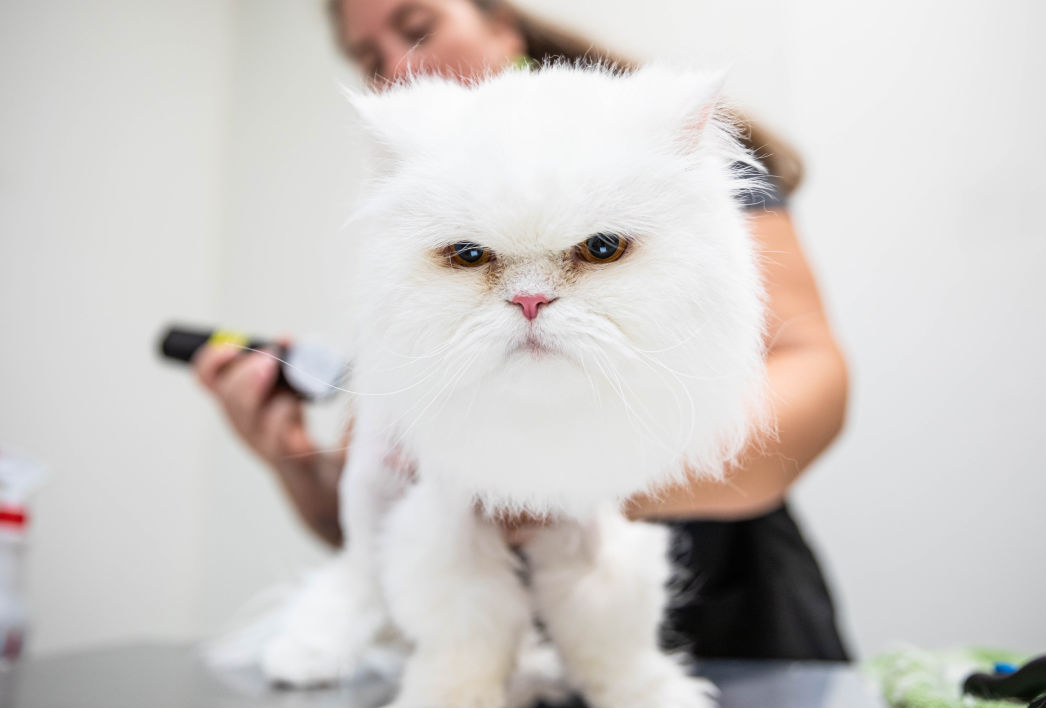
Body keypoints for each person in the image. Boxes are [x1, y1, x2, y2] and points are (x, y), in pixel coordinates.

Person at [193, 0, 851, 663]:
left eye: (417, 29)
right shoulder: (414, 213)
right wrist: (297, 462)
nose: (399, 66)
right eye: (369, 58)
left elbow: (814, 378)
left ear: (503, 25)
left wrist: (562, 482)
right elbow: (389, 517)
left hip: (720, 616)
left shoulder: (652, 150)